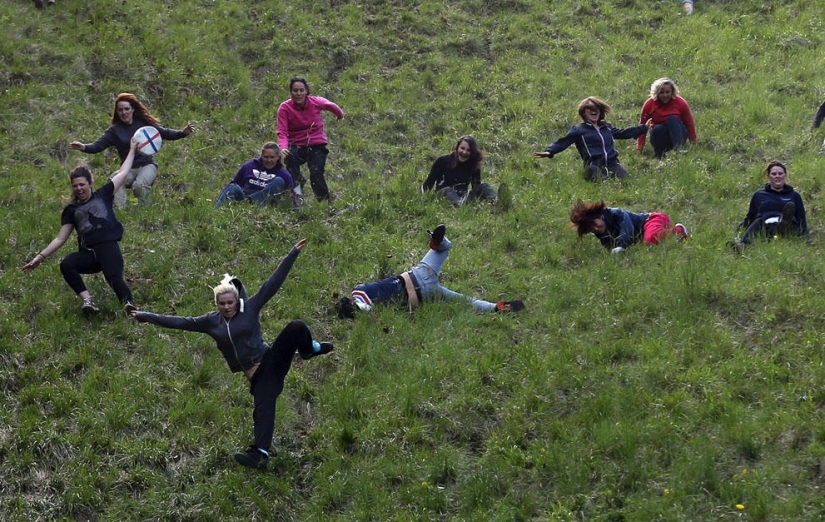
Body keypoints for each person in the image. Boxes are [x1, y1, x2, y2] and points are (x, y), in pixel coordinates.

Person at [129, 240, 334, 469]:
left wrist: (292, 254)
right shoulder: (210, 322)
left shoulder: (250, 308)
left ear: (237, 301)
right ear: (216, 303)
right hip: (256, 377)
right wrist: (145, 315)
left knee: (296, 326)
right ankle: (260, 453)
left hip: (269, 360)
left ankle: (309, 350)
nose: (227, 307)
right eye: (222, 303)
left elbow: (272, 284)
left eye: (230, 302)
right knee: (263, 403)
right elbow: (179, 322)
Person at [22, 139, 140, 314]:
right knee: (67, 264)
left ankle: (131, 307)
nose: (79, 189)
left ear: (90, 183)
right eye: (75, 186)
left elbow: (123, 172)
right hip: (88, 255)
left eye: (82, 184)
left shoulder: (104, 194)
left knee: (113, 277)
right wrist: (40, 256)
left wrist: (131, 150)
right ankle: (88, 301)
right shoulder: (71, 209)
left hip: (108, 248)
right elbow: (61, 238)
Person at [336, 224, 524, 319]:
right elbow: (364, 307)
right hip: (420, 277)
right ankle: (437, 242)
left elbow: (365, 308)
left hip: (423, 288)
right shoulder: (359, 292)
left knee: (465, 301)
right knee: (446, 249)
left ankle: (496, 308)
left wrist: (356, 309)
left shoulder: (362, 298)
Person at [69, 93, 195, 207]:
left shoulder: (144, 124)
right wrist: (83, 147)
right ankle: (121, 211)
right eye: (120, 110)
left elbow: (164, 133)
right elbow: (98, 146)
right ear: (117, 112)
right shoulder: (114, 131)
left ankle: (146, 210)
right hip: (128, 169)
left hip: (147, 166)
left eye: (126, 109)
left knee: (138, 186)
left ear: (133, 110)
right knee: (115, 180)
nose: (124, 112)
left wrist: (183, 133)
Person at [533, 97, 651, 181]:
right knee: (600, 180)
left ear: (600, 111)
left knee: (627, 180)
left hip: (612, 164)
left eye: (596, 108)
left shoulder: (606, 128)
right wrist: (549, 151)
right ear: (584, 113)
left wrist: (642, 128)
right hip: (593, 166)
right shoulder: (579, 130)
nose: (593, 110)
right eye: (589, 108)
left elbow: (623, 133)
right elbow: (563, 142)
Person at [276, 77, 344, 203]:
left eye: (301, 90)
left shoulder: (315, 102)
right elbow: (282, 131)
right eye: (295, 90)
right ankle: (297, 199)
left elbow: (329, 105)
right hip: (296, 144)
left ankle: (324, 202)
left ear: (307, 91)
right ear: (290, 92)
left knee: (316, 172)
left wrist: (339, 114)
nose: (298, 93)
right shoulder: (284, 108)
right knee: (292, 169)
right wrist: (283, 147)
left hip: (316, 144)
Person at [729, 160, 808, 252]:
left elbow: (801, 218)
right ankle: (743, 245)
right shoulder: (759, 195)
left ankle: (784, 224)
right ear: (769, 176)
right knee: (758, 221)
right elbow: (751, 215)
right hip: (766, 227)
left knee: (788, 215)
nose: (777, 176)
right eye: (774, 174)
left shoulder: (794, 195)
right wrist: (742, 226)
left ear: (785, 175)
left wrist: (806, 238)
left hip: (789, 226)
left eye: (780, 173)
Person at [569, 199, 689, 253]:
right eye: (591, 229)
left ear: (600, 217)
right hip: (644, 233)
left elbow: (628, 228)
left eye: (595, 224)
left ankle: (678, 230)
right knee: (647, 246)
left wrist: (621, 245)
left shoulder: (617, 214)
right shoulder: (603, 235)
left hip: (652, 219)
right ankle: (673, 237)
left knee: (650, 239)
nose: (595, 229)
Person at [215, 142, 298, 208]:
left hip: (265, 205)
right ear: (261, 156)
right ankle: (215, 211)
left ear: (278, 157)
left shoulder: (284, 174)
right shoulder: (249, 166)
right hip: (243, 199)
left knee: (279, 181)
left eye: (272, 157)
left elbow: (291, 195)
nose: (269, 160)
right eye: (266, 157)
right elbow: (235, 183)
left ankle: (251, 202)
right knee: (233, 186)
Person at [421, 135, 498, 206]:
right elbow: (428, 184)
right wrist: (423, 200)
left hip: (463, 197)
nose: (464, 152)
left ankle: (496, 200)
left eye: (468, 150)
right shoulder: (442, 161)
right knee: (448, 190)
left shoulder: (473, 165)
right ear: (457, 148)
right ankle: (459, 204)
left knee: (483, 186)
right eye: (462, 148)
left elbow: (476, 187)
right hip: (444, 194)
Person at [637, 78, 697, 159]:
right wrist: (639, 147)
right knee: (657, 128)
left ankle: (678, 149)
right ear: (656, 93)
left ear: (672, 91)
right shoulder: (649, 104)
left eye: (667, 92)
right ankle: (660, 155)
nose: (665, 95)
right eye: (661, 93)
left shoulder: (680, 102)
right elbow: (642, 125)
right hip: (660, 137)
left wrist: (693, 142)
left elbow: (689, 123)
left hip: (679, 134)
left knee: (672, 119)